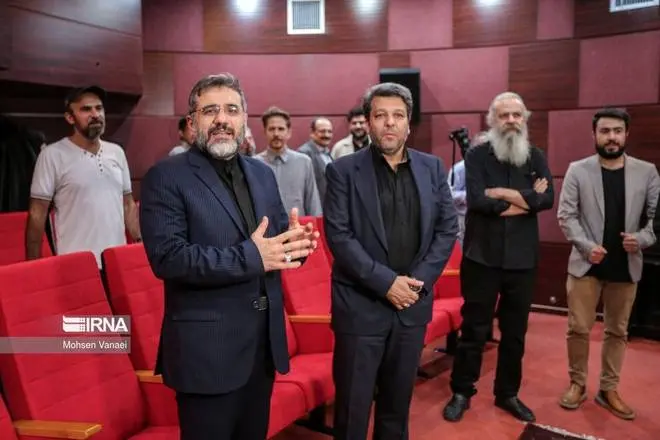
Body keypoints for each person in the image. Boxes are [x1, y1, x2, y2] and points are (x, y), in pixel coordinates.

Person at [139, 73, 318, 440]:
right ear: (193, 122)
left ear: (244, 120)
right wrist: (253, 256)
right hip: (208, 353)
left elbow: (273, 246)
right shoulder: (165, 176)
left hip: (262, 348)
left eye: (232, 110)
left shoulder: (262, 173)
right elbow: (169, 258)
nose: (222, 118)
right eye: (210, 111)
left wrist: (295, 247)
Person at [324, 82, 458, 439]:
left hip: (411, 308)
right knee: (352, 412)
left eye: (398, 115)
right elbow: (339, 237)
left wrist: (415, 285)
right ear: (368, 122)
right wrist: (387, 284)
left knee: (396, 410)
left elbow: (447, 229)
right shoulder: (342, 171)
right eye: (380, 115)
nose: (389, 123)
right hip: (360, 307)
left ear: (408, 124)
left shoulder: (432, 167)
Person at [442, 92, 554, 423]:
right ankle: (462, 391)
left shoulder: (535, 156)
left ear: (525, 119)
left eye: (517, 115)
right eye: (504, 115)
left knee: (515, 332)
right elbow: (478, 201)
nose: (511, 121)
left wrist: (502, 194)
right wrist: (526, 200)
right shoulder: (476, 156)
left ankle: (507, 393)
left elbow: (548, 199)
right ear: (493, 120)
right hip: (482, 257)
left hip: (523, 259)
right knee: (474, 329)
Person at [557, 107, 660, 420]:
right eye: (605, 131)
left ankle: (608, 389)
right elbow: (566, 215)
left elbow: (655, 218)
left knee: (618, 331)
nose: (611, 137)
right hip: (586, 265)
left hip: (626, 266)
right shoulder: (577, 170)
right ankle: (577, 384)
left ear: (626, 134)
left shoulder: (648, 172)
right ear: (594, 134)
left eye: (617, 131)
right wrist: (587, 247)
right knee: (578, 328)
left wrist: (641, 239)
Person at [26, 85, 140, 269]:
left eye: (99, 108)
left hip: (117, 262)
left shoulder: (117, 152)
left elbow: (128, 204)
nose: (95, 114)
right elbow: (37, 213)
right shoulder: (52, 155)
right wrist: (33, 266)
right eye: (86, 109)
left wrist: (139, 243)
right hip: (75, 265)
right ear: (70, 118)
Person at [255, 106, 322, 216]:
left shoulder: (304, 162)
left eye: (281, 129)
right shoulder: (254, 164)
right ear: (265, 132)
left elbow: (313, 203)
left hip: (298, 225)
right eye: (271, 129)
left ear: (289, 132)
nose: (276, 134)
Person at [448, 131, 488, 245]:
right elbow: (449, 194)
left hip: (486, 219)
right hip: (463, 219)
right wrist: (471, 195)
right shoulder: (459, 168)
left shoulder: (493, 168)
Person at [298, 117, 333, 202]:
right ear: (312, 133)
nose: (327, 135)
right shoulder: (304, 153)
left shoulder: (328, 153)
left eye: (329, 131)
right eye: (322, 131)